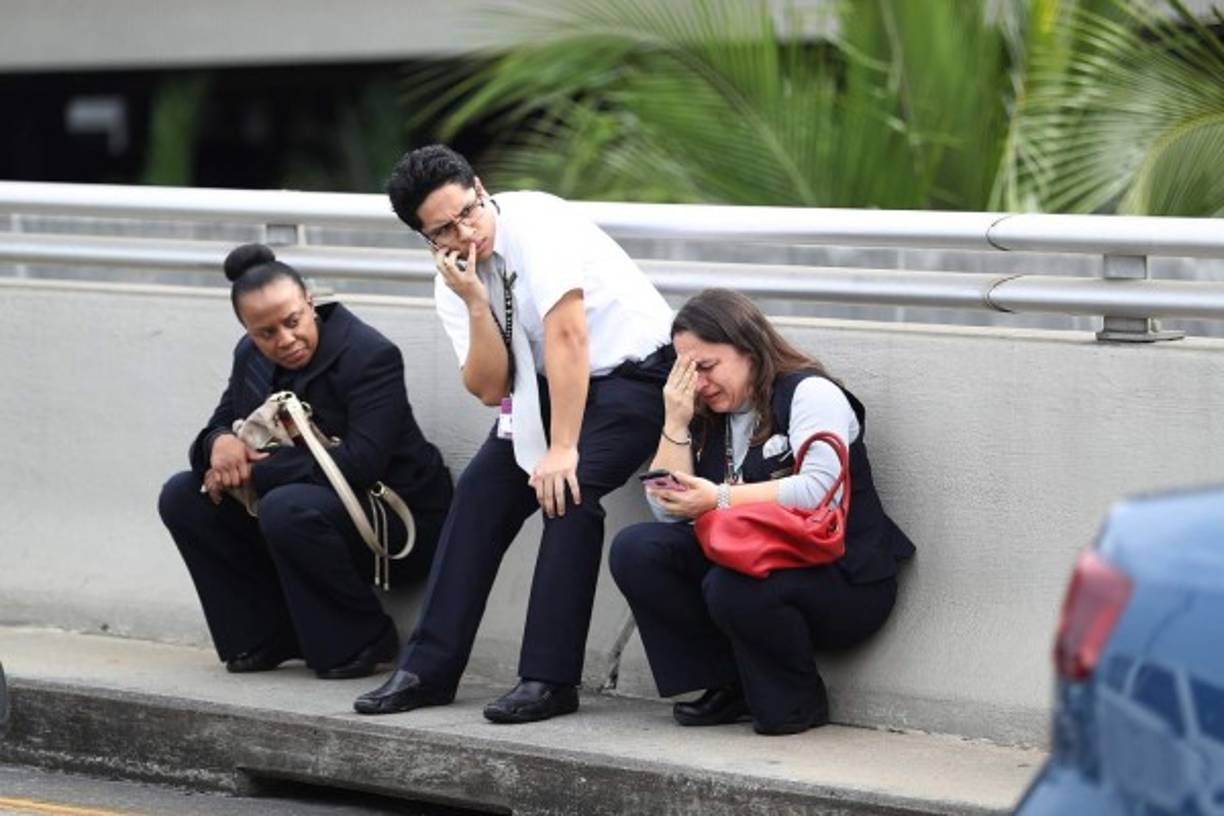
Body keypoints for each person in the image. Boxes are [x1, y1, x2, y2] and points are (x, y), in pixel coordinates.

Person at [354, 144, 674, 722]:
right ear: (425, 238)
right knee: (478, 494)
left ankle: (549, 680)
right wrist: (475, 302)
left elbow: (569, 335)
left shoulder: (536, 222)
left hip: (635, 376)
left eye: (468, 213)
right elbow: (488, 387)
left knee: (567, 493)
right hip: (544, 388)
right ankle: (427, 669)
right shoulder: (454, 278)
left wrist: (563, 448)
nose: (465, 233)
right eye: (443, 230)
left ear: (480, 187)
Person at [608, 288, 915, 735]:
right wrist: (675, 421)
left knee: (732, 584)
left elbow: (817, 491)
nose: (701, 383)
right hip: (757, 562)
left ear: (749, 349)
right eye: (689, 372)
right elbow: (669, 513)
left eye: (707, 367)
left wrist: (719, 498)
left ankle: (796, 702)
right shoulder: (706, 411)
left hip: (844, 577)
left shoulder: (810, 393)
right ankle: (727, 685)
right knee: (639, 549)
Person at [159, 244, 453, 679]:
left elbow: (361, 463)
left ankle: (363, 639)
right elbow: (226, 418)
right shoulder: (250, 355)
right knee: (183, 496)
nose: (285, 340)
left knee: (285, 506)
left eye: (292, 322)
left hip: (395, 517)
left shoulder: (370, 355)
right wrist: (219, 444)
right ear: (247, 330)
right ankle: (265, 635)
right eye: (266, 333)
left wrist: (257, 472)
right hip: (311, 511)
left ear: (310, 303)